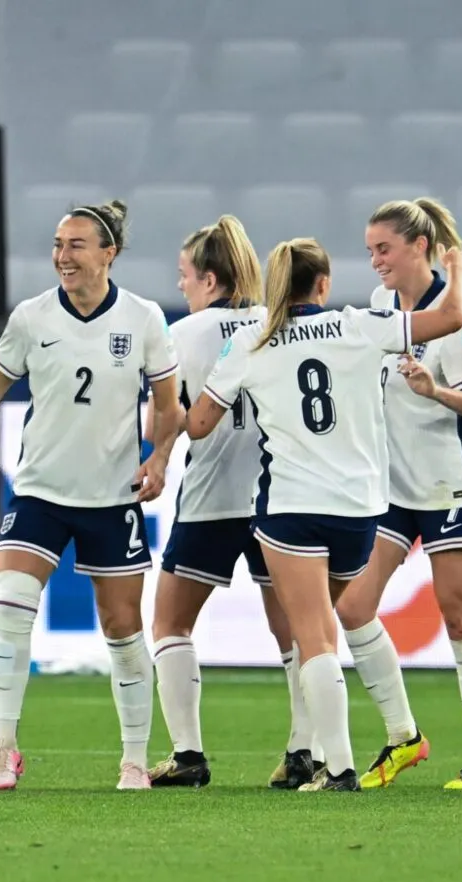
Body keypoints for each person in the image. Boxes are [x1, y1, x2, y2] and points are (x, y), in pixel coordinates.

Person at [0, 199, 185, 791]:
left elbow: (168, 404)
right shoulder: (32, 318)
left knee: (122, 629)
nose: (63, 256)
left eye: (76, 245)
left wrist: (159, 458)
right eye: (59, 245)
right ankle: (2, 749)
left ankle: (134, 758)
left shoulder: (142, 319)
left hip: (112, 498)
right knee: (9, 607)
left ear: (108, 254)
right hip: (39, 493)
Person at [186, 237, 462, 791]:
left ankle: (337, 768)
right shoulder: (360, 325)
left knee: (313, 637)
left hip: (291, 506)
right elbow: (453, 315)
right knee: (339, 621)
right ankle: (398, 733)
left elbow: (198, 424)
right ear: (324, 284)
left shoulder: (253, 340)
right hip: (360, 509)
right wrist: (456, 270)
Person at [141, 215, 322, 790]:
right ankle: (304, 752)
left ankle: (188, 755)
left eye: (185, 276)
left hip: (212, 498)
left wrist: (159, 458)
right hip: (279, 495)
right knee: (294, 631)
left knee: (170, 622)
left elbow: (165, 418)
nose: (181, 287)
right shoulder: (276, 325)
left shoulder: (184, 334)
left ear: (211, 279)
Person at [334, 198, 462, 791]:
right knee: (352, 608)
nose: (375, 261)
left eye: (384, 249)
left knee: (459, 616)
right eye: (370, 251)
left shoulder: (461, 320)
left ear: (418, 247)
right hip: (391, 491)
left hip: (450, 485)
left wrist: (436, 391)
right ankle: (404, 737)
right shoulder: (384, 309)